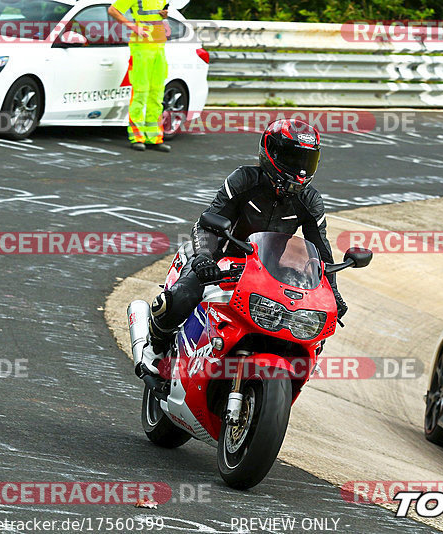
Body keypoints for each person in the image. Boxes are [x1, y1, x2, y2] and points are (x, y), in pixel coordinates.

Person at [136, 119, 347, 377]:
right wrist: (204, 259)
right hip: (222, 261)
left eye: (307, 161)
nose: (301, 170)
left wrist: (332, 294)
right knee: (181, 297)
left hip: (267, 272)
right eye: (294, 158)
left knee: (310, 325)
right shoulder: (244, 180)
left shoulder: (309, 200)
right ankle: (155, 348)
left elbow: (321, 253)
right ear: (272, 153)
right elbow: (207, 223)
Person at [108, 0, 171, 152]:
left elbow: (158, 17)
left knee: (156, 94)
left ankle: (154, 137)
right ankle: (137, 137)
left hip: (159, 47)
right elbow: (113, 10)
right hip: (141, 49)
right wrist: (133, 27)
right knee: (140, 93)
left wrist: (164, 15)